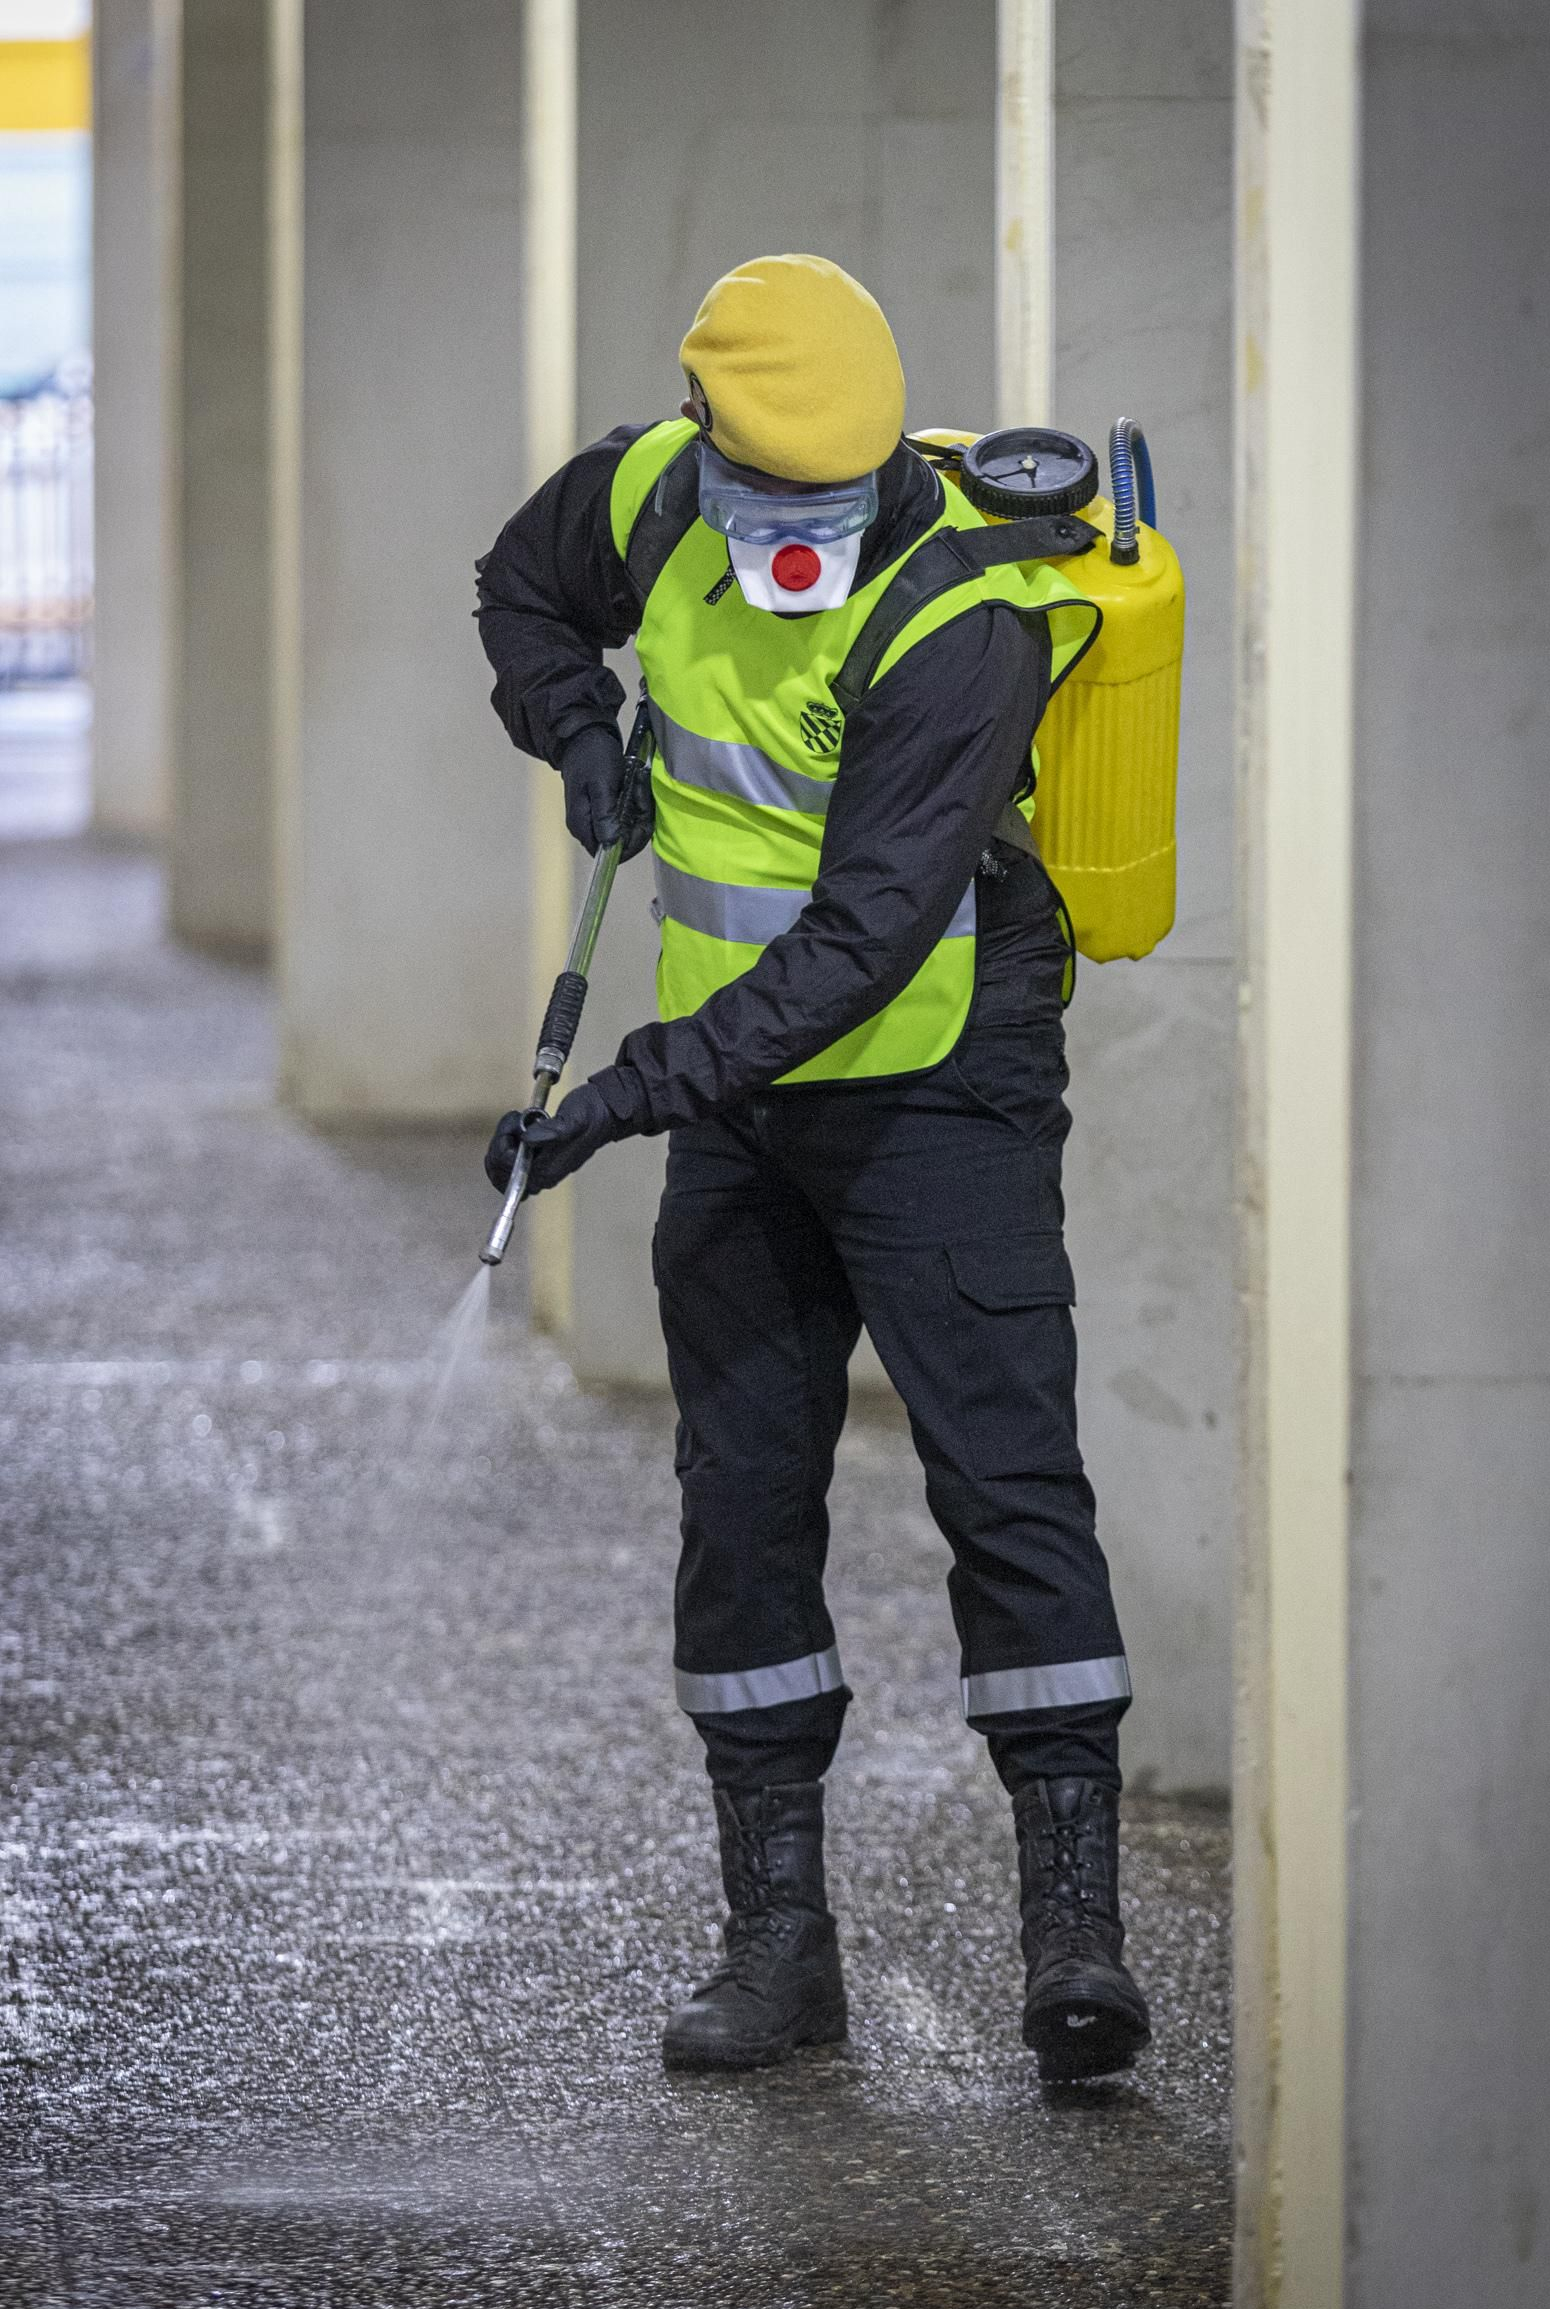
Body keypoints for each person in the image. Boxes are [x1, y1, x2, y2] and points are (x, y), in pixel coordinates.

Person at [475, 253, 1150, 2083]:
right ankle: (780, 1950)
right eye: (767, 493)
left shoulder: (963, 617)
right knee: (742, 1499)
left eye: (833, 498)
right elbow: (522, 589)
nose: (801, 530)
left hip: (941, 1085)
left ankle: (1073, 1943)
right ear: (702, 440)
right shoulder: (644, 494)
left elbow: (859, 944)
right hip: (746, 1107)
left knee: (1007, 1483)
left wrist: (623, 1095)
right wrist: (578, 735)